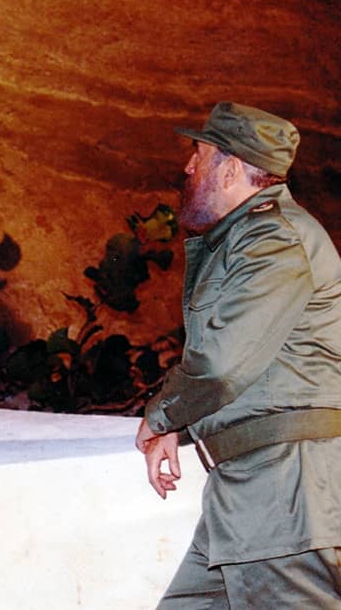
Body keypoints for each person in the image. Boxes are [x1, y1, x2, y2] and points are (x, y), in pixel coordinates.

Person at [135, 101, 341, 608]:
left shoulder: (273, 240)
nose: (187, 166)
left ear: (229, 169)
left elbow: (225, 361)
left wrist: (160, 417)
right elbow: (259, 363)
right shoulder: (248, 239)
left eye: (197, 153)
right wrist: (180, 427)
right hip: (251, 498)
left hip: (285, 499)